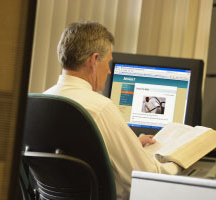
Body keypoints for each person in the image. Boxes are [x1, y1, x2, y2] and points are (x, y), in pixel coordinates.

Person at [44, 21, 181, 200]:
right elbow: (145, 176)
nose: (109, 71)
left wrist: (130, 145)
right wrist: (177, 162)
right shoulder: (100, 108)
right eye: (108, 62)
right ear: (93, 60)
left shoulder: (41, 100)